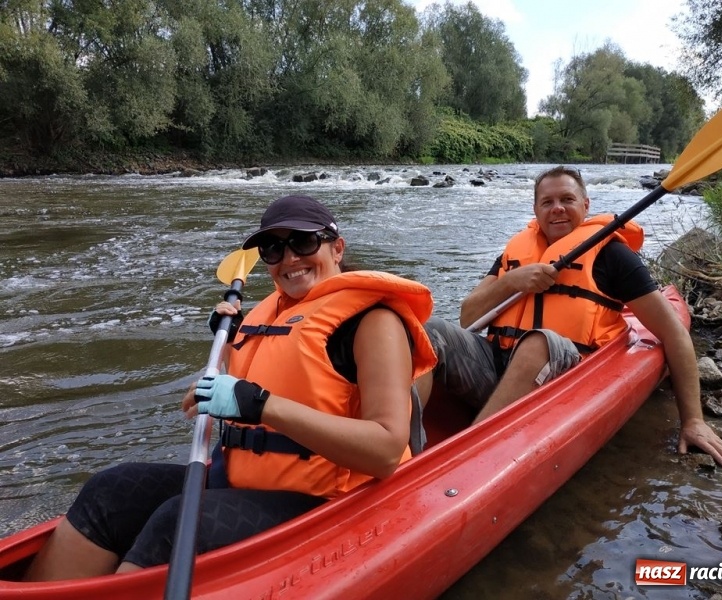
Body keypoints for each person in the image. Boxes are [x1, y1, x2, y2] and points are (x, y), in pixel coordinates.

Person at [25, 194, 437, 580]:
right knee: (110, 489)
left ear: (337, 248)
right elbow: (282, 377)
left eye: (304, 242)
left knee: (176, 521)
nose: (289, 258)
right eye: (273, 250)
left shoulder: (373, 322)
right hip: (248, 481)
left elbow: (385, 450)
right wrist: (226, 363)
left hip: (329, 499)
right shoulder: (265, 315)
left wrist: (260, 405)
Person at [417, 165, 722, 468]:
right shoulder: (514, 254)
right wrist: (511, 282)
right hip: (496, 369)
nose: (557, 208)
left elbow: (673, 333)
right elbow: (467, 316)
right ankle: (401, 446)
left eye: (567, 199)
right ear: (536, 211)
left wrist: (693, 419)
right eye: (547, 202)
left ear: (586, 205)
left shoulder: (612, 255)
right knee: (428, 329)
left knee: (538, 343)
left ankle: (465, 458)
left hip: (564, 382)